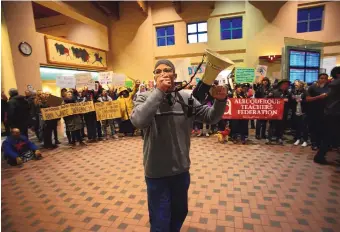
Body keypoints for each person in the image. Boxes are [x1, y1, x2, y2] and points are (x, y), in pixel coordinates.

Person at [130, 60, 227, 232]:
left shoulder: (186, 98)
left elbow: (210, 117)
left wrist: (220, 101)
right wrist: (159, 92)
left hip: (181, 171)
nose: (163, 73)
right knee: (160, 220)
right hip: (156, 172)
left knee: (180, 212)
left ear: (174, 76)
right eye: (158, 71)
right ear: (154, 76)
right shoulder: (145, 97)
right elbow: (139, 121)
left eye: (167, 70)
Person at [314, 66, 340, 164]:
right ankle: (319, 156)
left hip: (331, 112)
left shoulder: (332, 83)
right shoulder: (337, 83)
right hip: (336, 113)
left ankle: (320, 156)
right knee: (329, 135)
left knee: (329, 135)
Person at [307, 73, 329, 150]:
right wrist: (319, 97)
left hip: (325, 111)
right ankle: (314, 143)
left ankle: (320, 143)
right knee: (314, 127)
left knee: (323, 128)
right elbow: (308, 99)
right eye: (321, 78)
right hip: (314, 111)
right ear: (318, 79)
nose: (323, 80)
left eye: (325, 78)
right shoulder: (313, 87)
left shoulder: (329, 87)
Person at [266, 79, 291, 145]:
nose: (286, 86)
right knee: (272, 125)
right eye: (284, 84)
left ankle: (279, 138)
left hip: (283, 112)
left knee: (281, 126)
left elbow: (291, 102)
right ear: (280, 85)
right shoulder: (274, 92)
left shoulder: (288, 93)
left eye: (287, 85)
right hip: (274, 112)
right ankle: (269, 138)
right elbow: (267, 100)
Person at [291, 80, 309, 147]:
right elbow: (292, 101)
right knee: (297, 126)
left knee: (304, 126)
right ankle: (298, 138)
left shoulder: (305, 92)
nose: (296, 86)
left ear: (301, 85)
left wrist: (302, 100)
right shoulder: (295, 92)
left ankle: (305, 140)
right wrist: (293, 99)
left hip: (303, 111)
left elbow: (308, 101)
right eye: (295, 85)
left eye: (297, 85)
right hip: (296, 111)